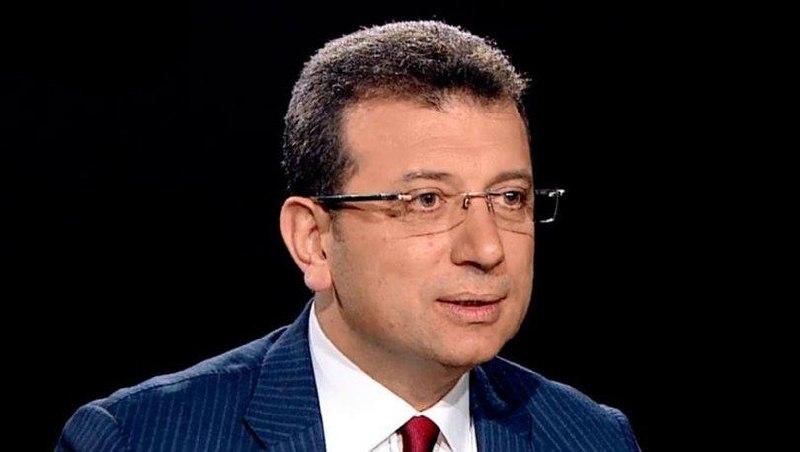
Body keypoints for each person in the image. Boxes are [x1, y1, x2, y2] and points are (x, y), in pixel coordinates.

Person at [57, 20, 640, 451]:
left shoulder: (592, 438)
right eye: (427, 201)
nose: (487, 249)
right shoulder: (140, 438)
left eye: (510, 198)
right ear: (313, 239)